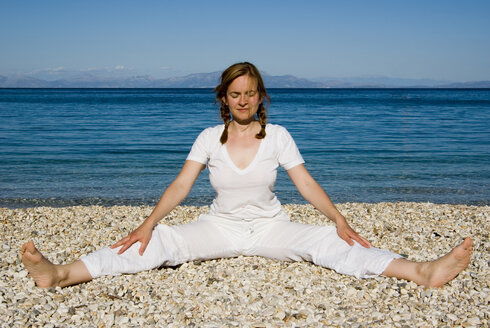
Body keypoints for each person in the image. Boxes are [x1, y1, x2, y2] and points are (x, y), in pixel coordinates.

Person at [21, 62, 472, 289]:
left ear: (260, 98)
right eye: (235, 94)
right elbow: (181, 184)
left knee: (330, 245)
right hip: (218, 228)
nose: (242, 101)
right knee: (155, 245)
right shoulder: (206, 138)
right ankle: (60, 275)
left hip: (271, 228)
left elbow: (305, 182)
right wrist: (148, 222)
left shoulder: (277, 136)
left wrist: (338, 218)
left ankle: (422, 271)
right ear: (224, 98)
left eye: (250, 93)